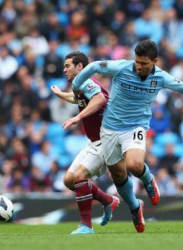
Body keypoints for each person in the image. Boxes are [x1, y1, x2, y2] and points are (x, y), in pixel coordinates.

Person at [72, 40, 183, 233]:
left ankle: (148, 180)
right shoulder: (121, 67)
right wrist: (77, 83)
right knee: (118, 176)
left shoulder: (161, 77)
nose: (138, 66)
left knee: (134, 165)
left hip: (135, 127)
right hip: (110, 129)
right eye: (137, 61)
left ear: (154, 61)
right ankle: (136, 208)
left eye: (144, 63)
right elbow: (95, 66)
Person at [51, 51, 120, 235]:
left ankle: (86, 226)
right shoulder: (78, 85)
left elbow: (100, 99)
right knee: (68, 180)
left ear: (79, 67)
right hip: (94, 142)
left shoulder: (87, 81)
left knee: (79, 176)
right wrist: (60, 94)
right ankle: (108, 200)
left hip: (107, 141)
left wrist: (77, 117)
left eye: (68, 66)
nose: (64, 69)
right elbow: (77, 98)